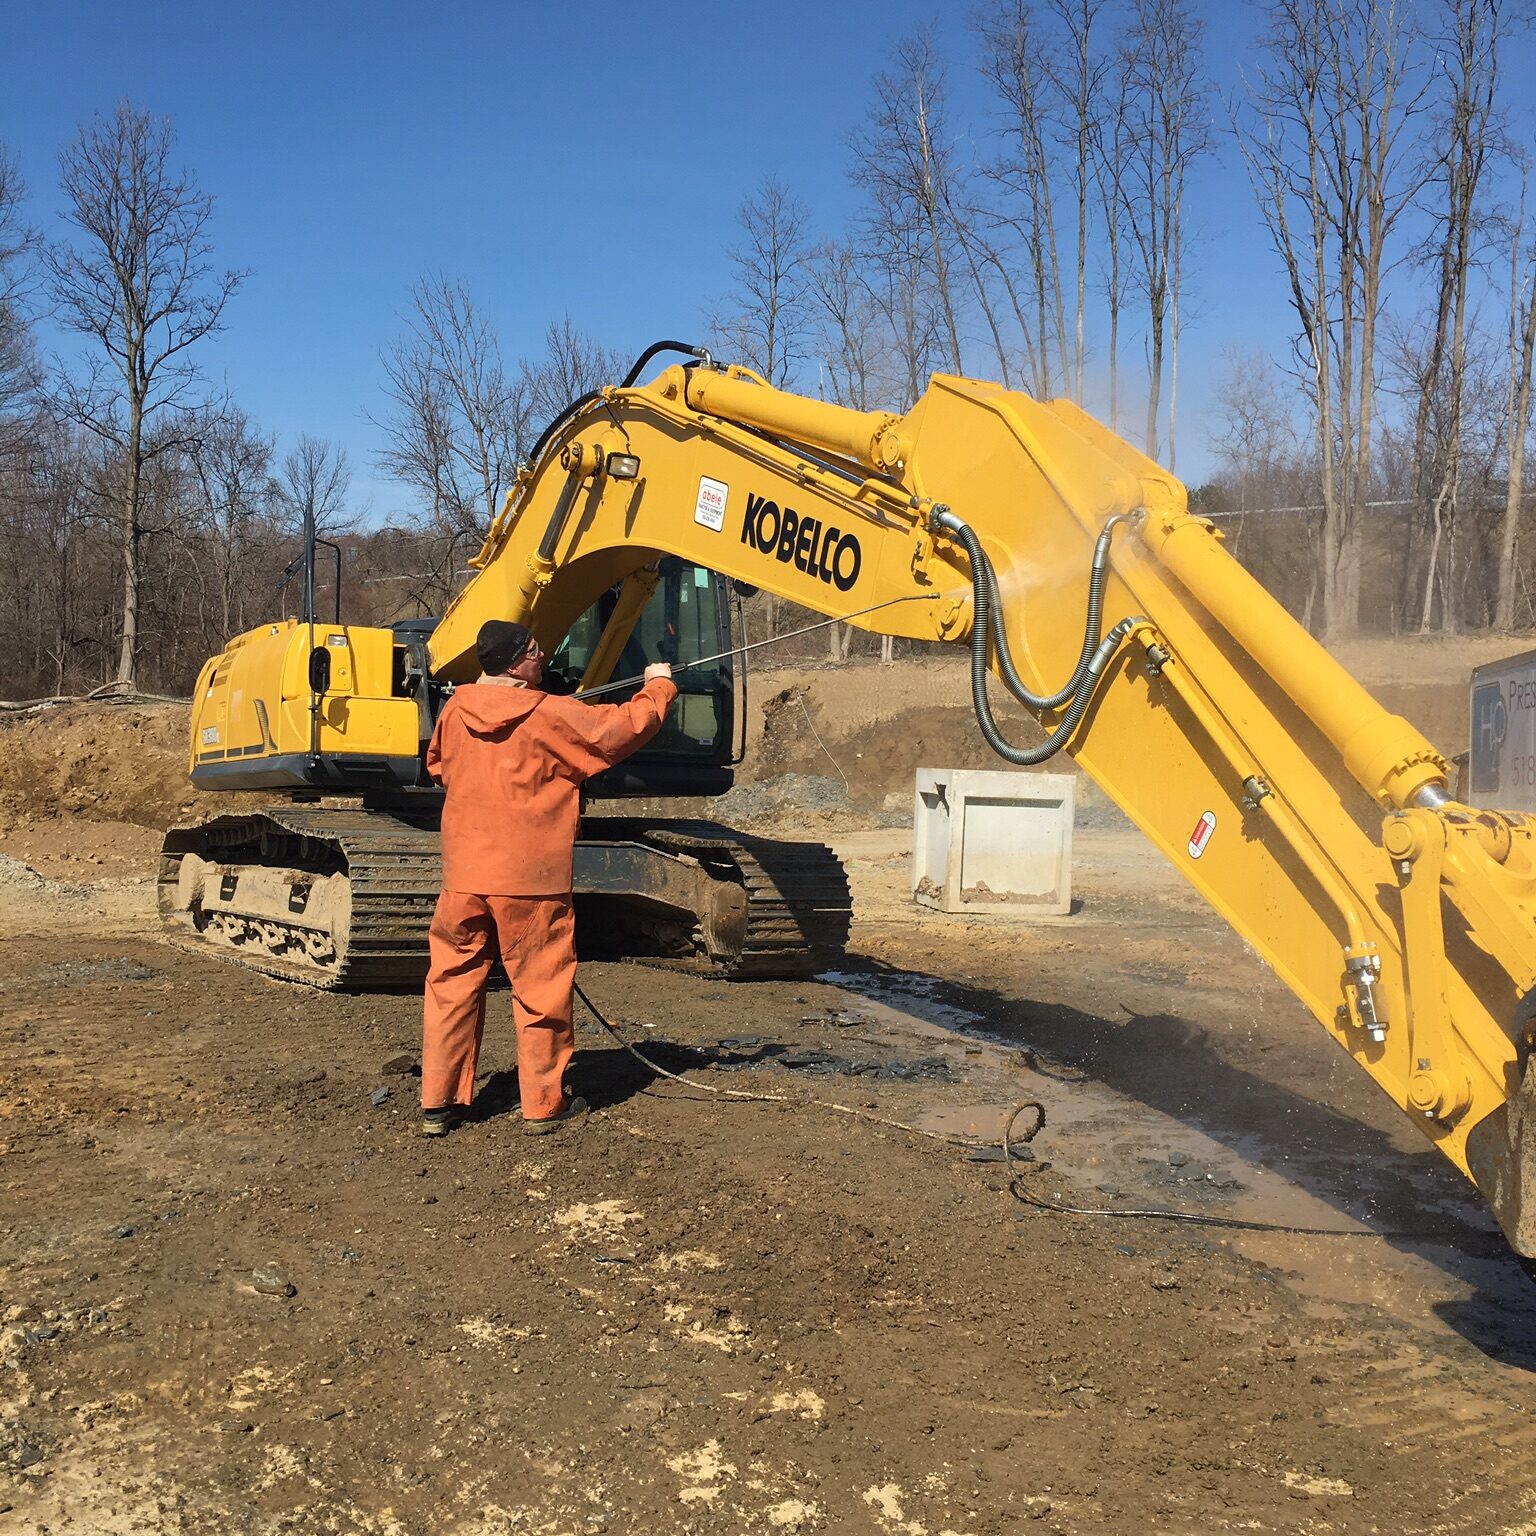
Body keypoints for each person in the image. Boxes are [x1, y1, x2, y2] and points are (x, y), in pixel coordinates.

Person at [419, 618, 676, 1137]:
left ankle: (439, 1103)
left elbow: (439, 768)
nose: (544, 658)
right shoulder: (551, 715)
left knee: (451, 986)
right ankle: (543, 1105)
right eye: (536, 651)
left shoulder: (454, 710)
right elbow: (621, 729)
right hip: (530, 879)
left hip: (464, 877)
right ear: (516, 661)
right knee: (540, 991)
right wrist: (659, 684)